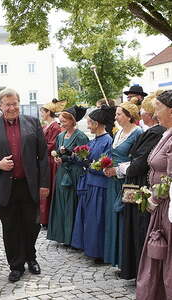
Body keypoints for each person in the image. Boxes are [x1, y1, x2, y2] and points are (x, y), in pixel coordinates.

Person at [0, 88, 49, 282]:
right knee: (10, 227)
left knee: (32, 225)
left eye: (14, 103)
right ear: (0, 106)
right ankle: (16, 265)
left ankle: (31, 257)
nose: (11, 108)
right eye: (7, 104)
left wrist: (44, 184)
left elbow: (43, 156)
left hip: (29, 184)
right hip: (4, 186)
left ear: (19, 103)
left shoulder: (32, 123)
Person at [120, 94, 166, 280]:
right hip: (141, 183)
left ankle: (144, 272)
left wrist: (125, 168)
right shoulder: (153, 131)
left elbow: (142, 161)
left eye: (144, 110)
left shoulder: (156, 132)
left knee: (142, 229)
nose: (142, 113)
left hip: (144, 185)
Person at [136, 90, 172, 300]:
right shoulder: (166, 133)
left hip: (167, 207)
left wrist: (154, 199)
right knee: (158, 255)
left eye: (158, 107)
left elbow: (170, 179)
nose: (154, 113)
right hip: (161, 205)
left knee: (166, 256)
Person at [103, 102, 143, 268]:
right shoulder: (118, 132)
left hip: (128, 182)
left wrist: (118, 170)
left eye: (119, 114)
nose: (116, 117)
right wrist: (105, 166)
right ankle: (117, 258)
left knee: (125, 218)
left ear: (129, 116)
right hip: (113, 182)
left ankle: (127, 262)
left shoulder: (138, 133)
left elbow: (137, 160)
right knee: (114, 218)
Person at [71, 106, 113, 262]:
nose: (88, 126)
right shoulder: (94, 140)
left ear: (97, 123)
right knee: (88, 218)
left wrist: (89, 164)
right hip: (89, 183)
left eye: (90, 123)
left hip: (99, 185)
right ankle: (88, 247)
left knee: (96, 219)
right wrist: (76, 156)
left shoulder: (107, 140)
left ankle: (98, 252)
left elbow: (104, 165)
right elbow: (87, 159)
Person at [47, 106, 89, 245]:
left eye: (64, 121)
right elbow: (58, 152)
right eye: (61, 121)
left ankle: (73, 238)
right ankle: (62, 235)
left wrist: (68, 157)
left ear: (72, 121)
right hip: (62, 173)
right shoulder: (60, 136)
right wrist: (57, 158)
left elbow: (84, 158)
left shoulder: (81, 136)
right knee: (61, 203)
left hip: (75, 174)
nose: (62, 123)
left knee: (72, 204)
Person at [39, 99, 65, 229]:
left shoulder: (55, 126)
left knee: (49, 186)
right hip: (44, 159)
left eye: (42, 111)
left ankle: (48, 217)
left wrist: (39, 150)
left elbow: (52, 144)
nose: (41, 114)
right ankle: (43, 217)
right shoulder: (46, 126)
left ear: (48, 112)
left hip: (50, 159)